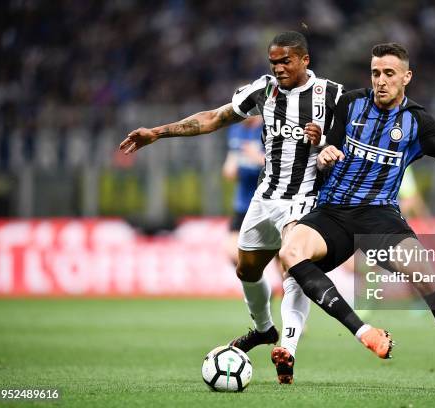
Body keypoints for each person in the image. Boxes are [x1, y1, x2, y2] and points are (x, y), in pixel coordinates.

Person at [119, 31, 344, 384]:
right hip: (265, 197)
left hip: (305, 199)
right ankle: (264, 329)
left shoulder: (332, 94)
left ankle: (288, 347)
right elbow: (214, 118)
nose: (279, 68)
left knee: (293, 264)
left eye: (286, 61)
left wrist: (328, 142)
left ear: (305, 60)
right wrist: (158, 133)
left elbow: (354, 140)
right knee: (247, 271)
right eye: (274, 62)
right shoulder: (263, 90)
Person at [278, 43, 435, 393]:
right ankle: (364, 331)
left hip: (379, 217)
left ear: (407, 77)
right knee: (290, 252)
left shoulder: (419, 120)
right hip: (333, 210)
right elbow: (327, 148)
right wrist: (325, 153)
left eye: (389, 74)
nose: (380, 81)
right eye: (375, 73)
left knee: (425, 276)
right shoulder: (350, 103)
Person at [222, 116, 265, 266]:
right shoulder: (236, 130)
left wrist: (257, 158)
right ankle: (261, 288)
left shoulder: (271, 128)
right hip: (244, 204)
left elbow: (282, 164)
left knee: (282, 257)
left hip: (269, 204)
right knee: (233, 251)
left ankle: (291, 289)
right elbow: (230, 164)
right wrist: (230, 168)